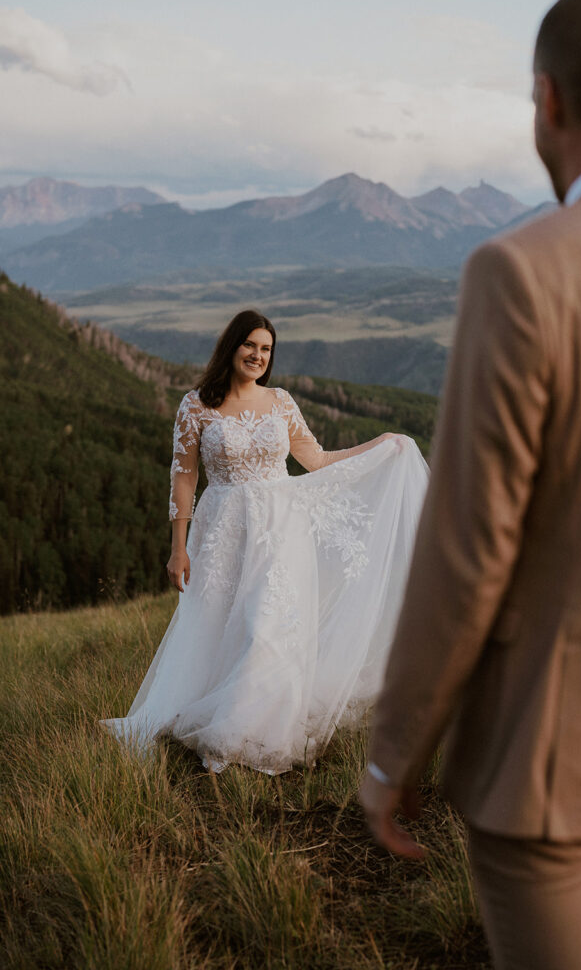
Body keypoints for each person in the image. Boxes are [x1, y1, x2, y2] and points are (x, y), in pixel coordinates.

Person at [360, 0, 581, 970]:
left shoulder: (522, 271)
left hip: (552, 750)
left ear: (545, 100)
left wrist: (393, 751)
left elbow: (466, 547)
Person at [102, 309, 428, 774]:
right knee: (219, 626)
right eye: (250, 345)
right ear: (232, 346)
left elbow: (316, 459)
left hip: (281, 529)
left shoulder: (280, 402)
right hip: (223, 531)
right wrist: (178, 546)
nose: (258, 355)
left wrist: (378, 444)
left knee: (267, 629)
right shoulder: (196, 406)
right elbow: (184, 477)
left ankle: (248, 735)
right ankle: (216, 718)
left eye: (266, 349)